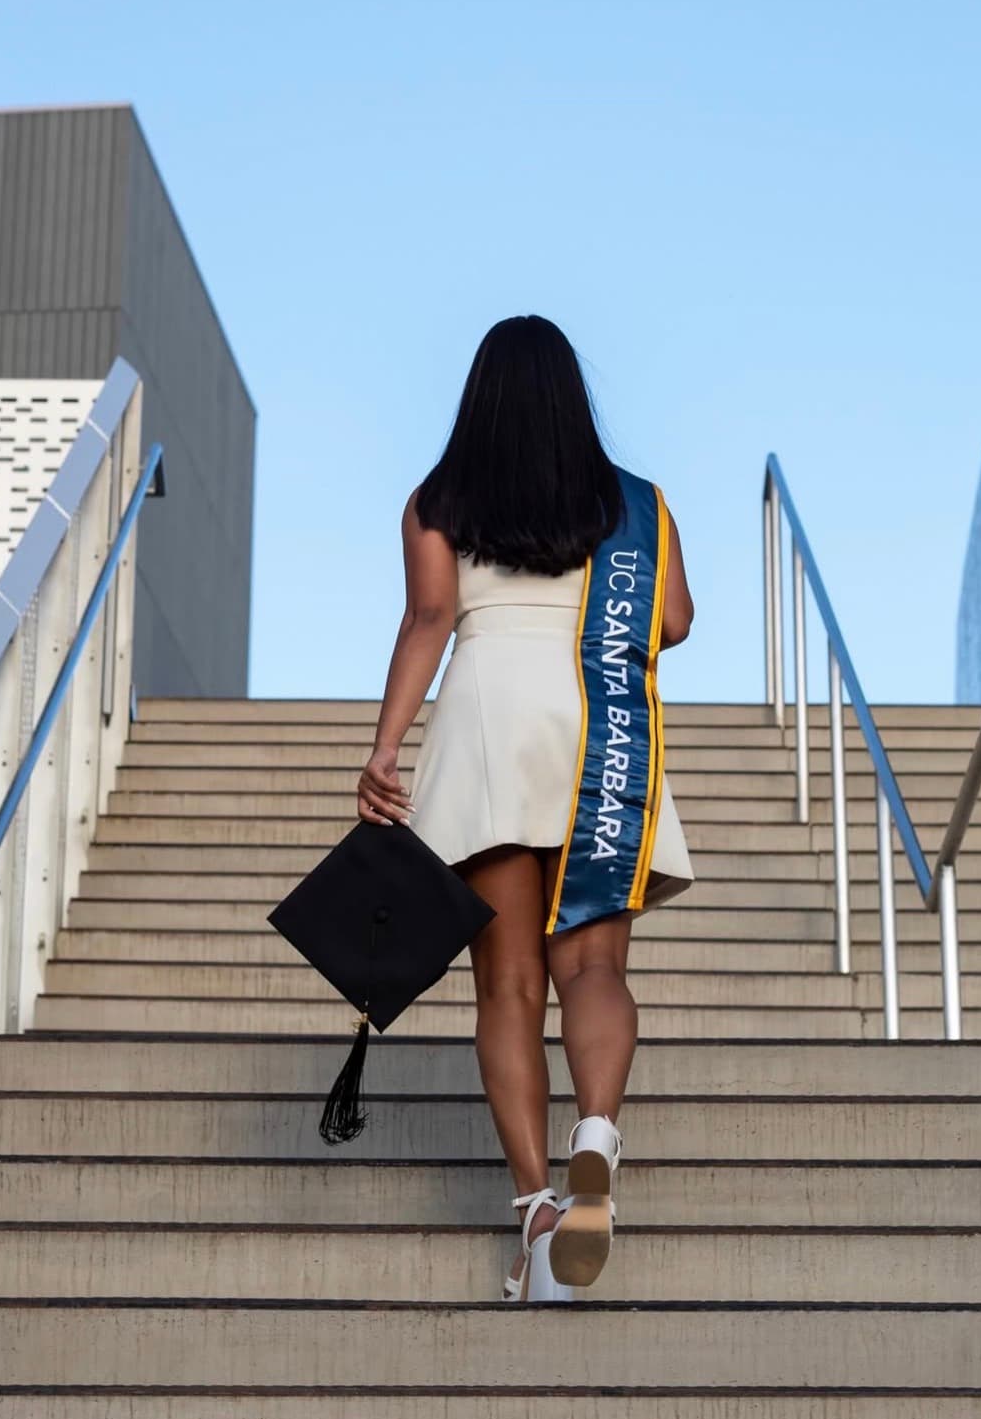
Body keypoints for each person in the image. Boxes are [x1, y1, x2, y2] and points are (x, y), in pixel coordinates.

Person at [356, 315, 694, 1301]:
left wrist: (384, 750)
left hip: (489, 725)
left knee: (507, 990)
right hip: (598, 733)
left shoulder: (439, 499)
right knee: (591, 964)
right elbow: (669, 620)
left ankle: (542, 1215)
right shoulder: (635, 505)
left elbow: (430, 619)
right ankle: (597, 1133)